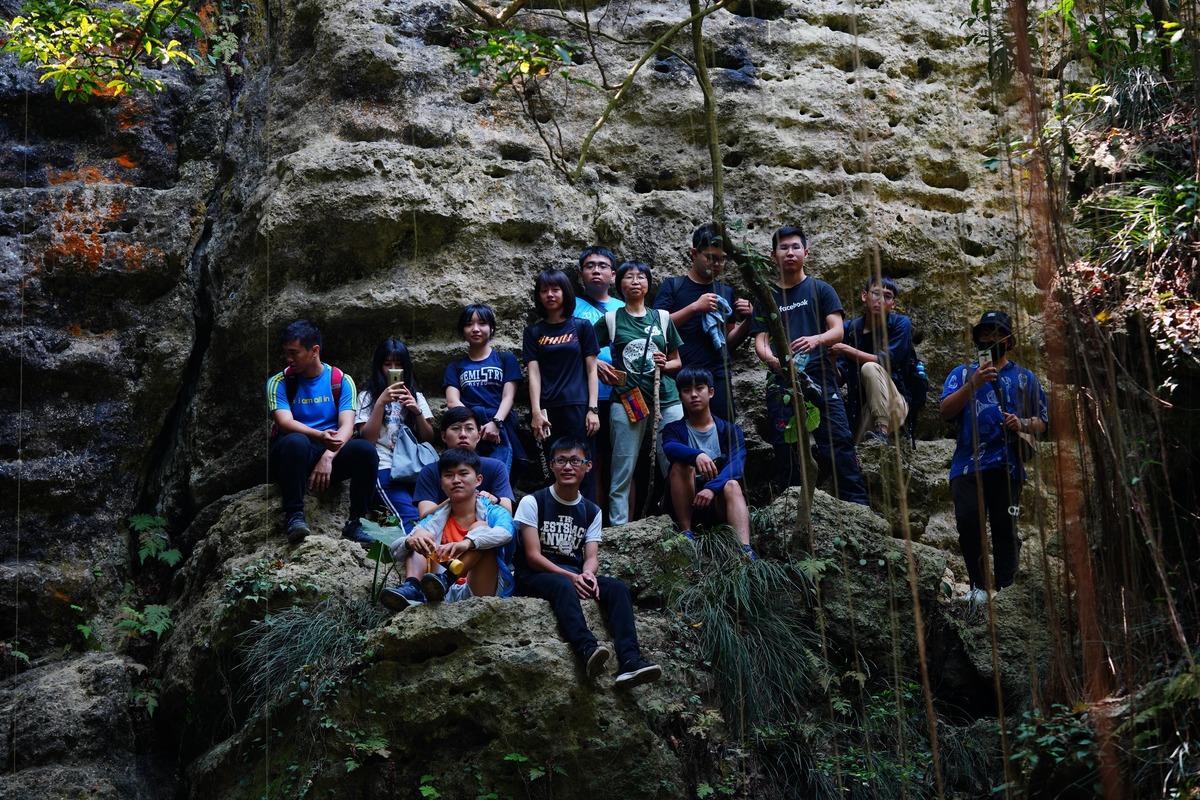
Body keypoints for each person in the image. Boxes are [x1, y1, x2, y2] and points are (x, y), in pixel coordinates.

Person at [514, 437, 662, 688]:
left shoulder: (592, 510)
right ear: (552, 466)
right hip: (536, 575)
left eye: (574, 461)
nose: (567, 467)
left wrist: (588, 575)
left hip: (573, 575)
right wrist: (572, 578)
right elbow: (532, 556)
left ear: (588, 465)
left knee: (616, 588)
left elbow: (591, 557)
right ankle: (587, 649)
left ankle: (630, 660)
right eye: (560, 460)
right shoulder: (533, 502)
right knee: (561, 585)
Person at [750, 225, 869, 505]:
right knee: (786, 445)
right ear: (772, 255)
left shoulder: (820, 289)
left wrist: (816, 339)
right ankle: (793, 506)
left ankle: (857, 505)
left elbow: (837, 330)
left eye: (794, 247)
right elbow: (760, 341)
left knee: (838, 441)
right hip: (780, 382)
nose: (789, 253)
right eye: (783, 248)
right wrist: (773, 360)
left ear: (806, 252)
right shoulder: (766, 296)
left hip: (819, 375)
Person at [939, 310, 1048, 604]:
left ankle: (1006, 591)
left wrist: (1022, 423)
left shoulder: (1025, 378)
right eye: (984, 334)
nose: (989, 339)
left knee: (1004, 527)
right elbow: (946, 411)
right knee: (968, 523)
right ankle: (977, 587)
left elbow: (1043, 423)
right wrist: (973, 382)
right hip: (966, 465)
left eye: (996, 333)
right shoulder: (961, 373)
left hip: (1006, 465)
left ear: (1009, 341)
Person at [266, 319, 379, 544]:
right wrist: (320, 437)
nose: (288, 359)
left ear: (314, 350)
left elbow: (347, 426)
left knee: (366, 450)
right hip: (292, 456)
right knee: (296, 441)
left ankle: (356, 523)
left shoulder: (341, 380)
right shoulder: (279, 382)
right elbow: (285, 422)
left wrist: (328, 457)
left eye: (294, 353)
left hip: (329, 452)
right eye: (286, 353)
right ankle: (295, 516)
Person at [592, 260, 683, 526]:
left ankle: (682, 524)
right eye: (628, 277)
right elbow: (585, 349)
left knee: (675, 462)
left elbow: (678, 361)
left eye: (641, 277)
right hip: (627, 397)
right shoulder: (611, 318)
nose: (635, 281)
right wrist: (597, 363)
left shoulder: (662, 317)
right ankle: (619, 530)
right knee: (623, 465)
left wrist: (666, 363)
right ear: (619, 284)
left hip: (665, 398)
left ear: (648, 284)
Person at [380, 448, 515, 610]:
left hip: (479, 588)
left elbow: (507, 532)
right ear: (442, 483)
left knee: (481, 530)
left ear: (478, 480)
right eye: (449, 475)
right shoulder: (436, 518)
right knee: (421, 535)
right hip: (437, 592)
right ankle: (412, 587)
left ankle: (447, 579)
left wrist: (468, 543)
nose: (456, 480)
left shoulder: (493, 510)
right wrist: (410, 541)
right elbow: (396, 550)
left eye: (463, 474)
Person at [653, 222, 753, 422]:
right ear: (693, 253)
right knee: (681, 433)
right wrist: (694, 308)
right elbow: (655, 327)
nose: (717, 264)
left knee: (724, 429)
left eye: (722, 259)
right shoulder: (673, 286)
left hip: (717, 372)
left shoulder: (725, 292)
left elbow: (728, 341)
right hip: (680, 373)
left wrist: (750, 319)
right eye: (710, 258)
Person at [662, 367, 756, 560]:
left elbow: (736, 465)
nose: (694, 395)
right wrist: (697, 455)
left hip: (719, 505)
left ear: (711, 392)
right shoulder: (673, 429)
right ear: (680, 396)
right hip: (686, 506)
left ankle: (744, 550)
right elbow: (670, 447)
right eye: (687, 390)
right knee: (682, 465)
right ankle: (687, 534)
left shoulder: (730, 430)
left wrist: (712, 489)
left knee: (732, 483)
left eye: (699, 388)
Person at [523, 269, 601, 500]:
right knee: (553, 465)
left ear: (565, 293)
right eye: (544, 290)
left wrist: (593, 409)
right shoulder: (534, 332)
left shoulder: (582, 326)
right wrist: (536, 412)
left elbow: (591, 370)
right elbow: (533, 374)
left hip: (578, 406)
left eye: (555, 289)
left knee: (583, 464)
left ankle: (588, 522)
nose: (550, 295)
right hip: (548, 410)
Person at [355, 338, 435, 537]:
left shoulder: (415, 395)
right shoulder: (367, 396)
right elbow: (368, 439)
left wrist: (416, 411)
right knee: (408, 516)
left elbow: (428, 438)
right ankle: (427, 561)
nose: (393, 369)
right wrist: (381, 402)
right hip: (384, 466)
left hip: (413, 468)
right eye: (387, 364)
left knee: (431, 516)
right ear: (379, 366)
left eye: (398, 365)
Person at [572, 246, 625, 518]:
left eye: (603, 266)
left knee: (623, 462)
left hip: (622, 397)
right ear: (581, 273)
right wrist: (593, 361)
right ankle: (596, 523)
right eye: (590, 265)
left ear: (613, 274)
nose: (596, 270)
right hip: (588, 399)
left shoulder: (624, 307)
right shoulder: (572, 307)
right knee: (593, 462)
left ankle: (623, 524)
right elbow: (565, 349)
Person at [830, 276, 914, 443]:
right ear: (864, 296)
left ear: (894, 304)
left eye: (888, 296)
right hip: (862, 412)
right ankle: (875, 435)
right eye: (876, 293)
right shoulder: (850, 329)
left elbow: (885, 360)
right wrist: (831, 358)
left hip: (895, 405)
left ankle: (882, 431)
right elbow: (839, 379)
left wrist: (846, 349)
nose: (881, 300)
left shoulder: (901, 324)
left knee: (869, 367)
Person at [444, 303, 525, 473]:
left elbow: (509, 396)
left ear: (491, 328)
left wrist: (495, 423)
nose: (475, 329)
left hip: (500, 425)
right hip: (468, 429)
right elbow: (452, 401)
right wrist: (473, 426)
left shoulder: (505, 359)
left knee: (497, 478)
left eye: (482, 323)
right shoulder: (456, 366)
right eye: (469, 324)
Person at [414, 406, 515, 519]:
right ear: (443, 436)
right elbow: (424, 515)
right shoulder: (430, 471)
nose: (463, 434)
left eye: (469, 429)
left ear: (478, 436)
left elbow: (507, 511)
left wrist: (494, 499)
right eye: (456, 428)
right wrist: (461, 499)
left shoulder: (495, 467)